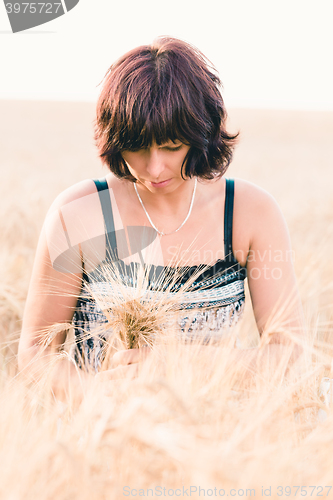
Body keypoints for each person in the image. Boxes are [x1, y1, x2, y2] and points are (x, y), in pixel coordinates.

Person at [18, 36, 305, 401]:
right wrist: (91, 395)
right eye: (137, 148)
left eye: (171, 147)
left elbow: (291, 353)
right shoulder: (77, 213)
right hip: (99, 440)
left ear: (202, 135)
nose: (154, 168)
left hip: (217, 440)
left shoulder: (250, 212)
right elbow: (34, 352)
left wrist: (182, 364)